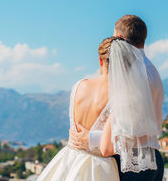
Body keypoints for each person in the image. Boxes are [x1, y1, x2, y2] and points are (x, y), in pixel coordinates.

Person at [70, 14, 165, 181]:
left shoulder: (135, 74)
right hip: (150, 158)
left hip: (134, 165)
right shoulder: (151, 69)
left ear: (119, 38)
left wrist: (90, 138)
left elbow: (131, 131)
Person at [37, 37, 121, 181]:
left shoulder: (79, 86)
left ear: (100, 60)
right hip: (99, 169)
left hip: (68, 160)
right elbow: (115, 144)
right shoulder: (119, 94)